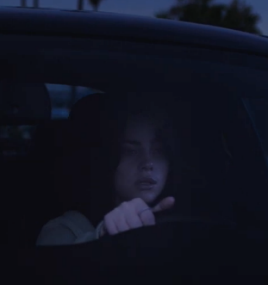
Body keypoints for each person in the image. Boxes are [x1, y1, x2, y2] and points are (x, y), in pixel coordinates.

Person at [37, 95, 177, 245]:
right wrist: (103, 238)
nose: (148, 163)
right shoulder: (64, 229)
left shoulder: (180, 222)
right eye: (130, 151)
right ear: (106, 158)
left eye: (158, 151)